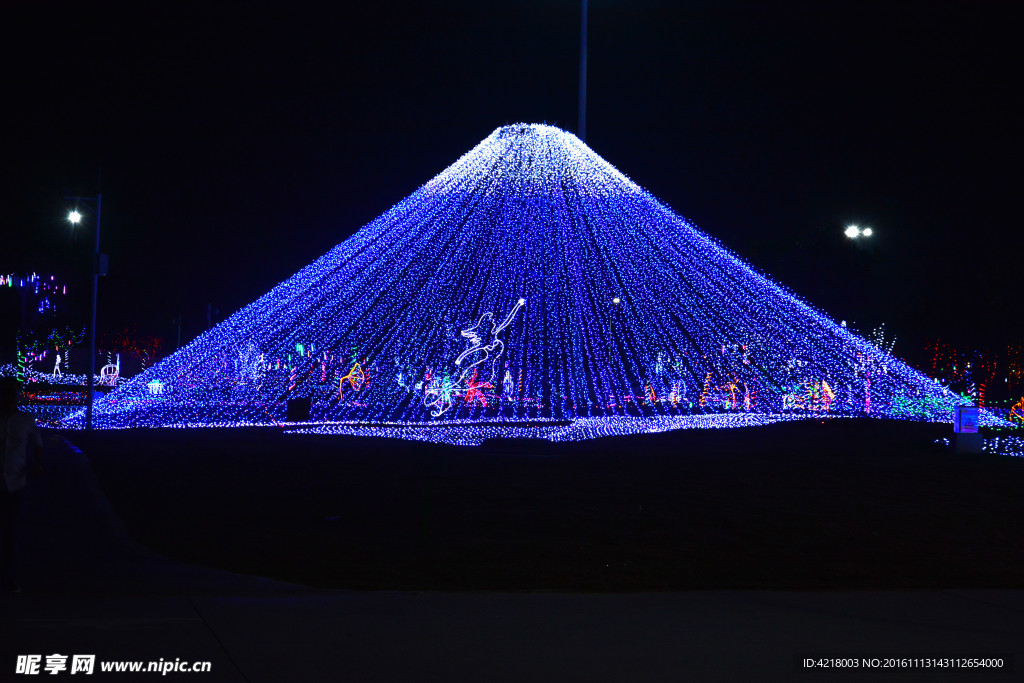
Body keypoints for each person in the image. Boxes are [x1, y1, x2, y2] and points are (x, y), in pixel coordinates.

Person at [1, 376, 43, 591]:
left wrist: (37, 465)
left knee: (10, 531)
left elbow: (37, 443)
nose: (8, 397)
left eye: (12, 393)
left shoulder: (25, 420)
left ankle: (8, 577)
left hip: (15, 481)